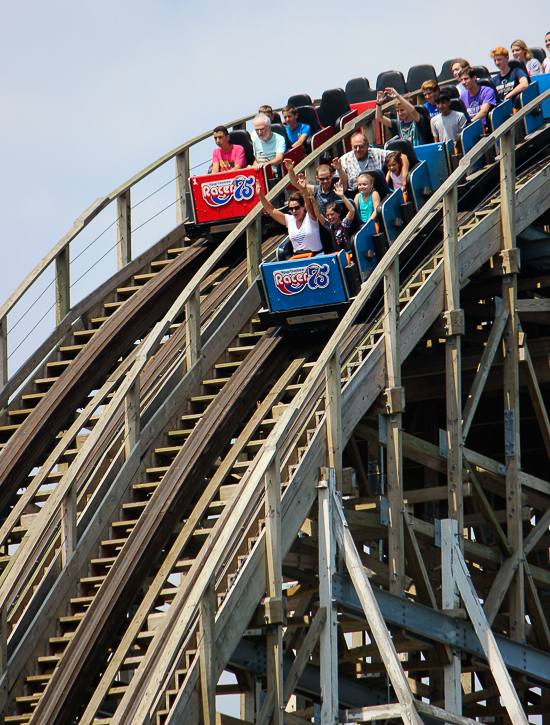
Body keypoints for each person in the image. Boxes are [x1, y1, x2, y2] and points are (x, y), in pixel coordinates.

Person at [255, 180, 323, 257]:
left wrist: (304, 190)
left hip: (315, 258)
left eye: (296, 208)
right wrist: (260, 195)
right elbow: (271, 210)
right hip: (298, 259)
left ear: (303, 207)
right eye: (291, 209)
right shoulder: (290, 220)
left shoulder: (310, 217)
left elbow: (309, 206)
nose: (294, 211)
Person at [317, 182, 356, 253]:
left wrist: (342, 196)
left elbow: (352, 210)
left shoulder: (344, 223)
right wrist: (313, 200)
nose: (330, 217)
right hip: (338, 254)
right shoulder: (330, 226)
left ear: (338, 213)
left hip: (349, 253)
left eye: (332, 214)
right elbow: (318, 214)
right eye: (328, 215)